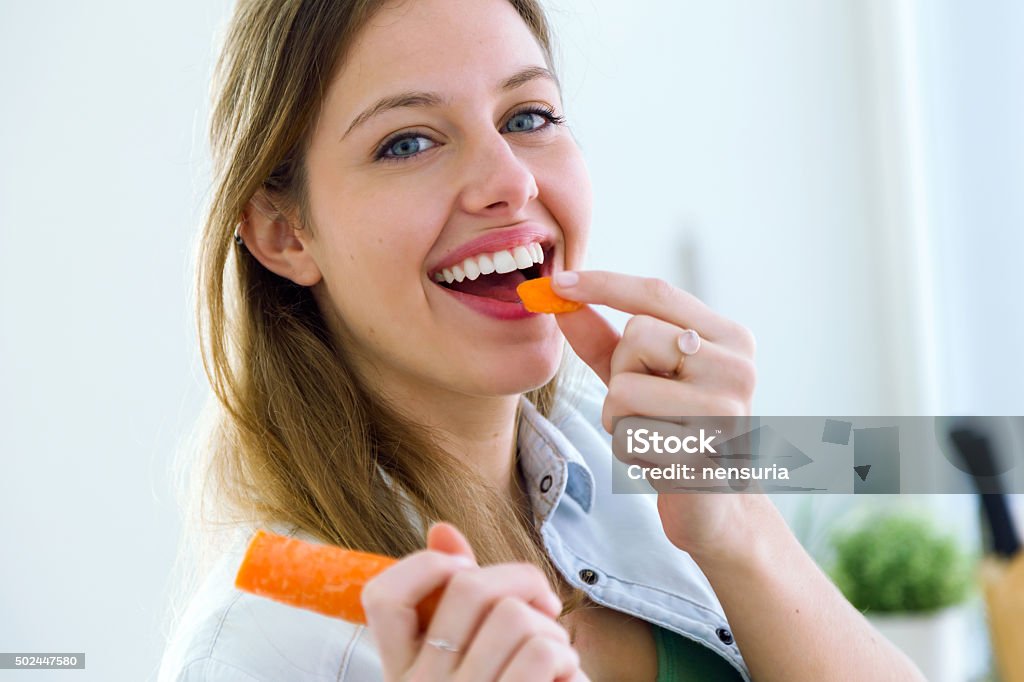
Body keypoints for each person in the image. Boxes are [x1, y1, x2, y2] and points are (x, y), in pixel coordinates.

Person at [158, 0, 927, 680]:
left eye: (528, 117)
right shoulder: (252, 652)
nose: (511, 181)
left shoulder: (628, 456)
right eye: (408, 142)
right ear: (283, 233)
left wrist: (739, 528)